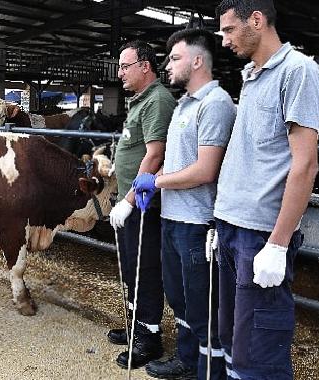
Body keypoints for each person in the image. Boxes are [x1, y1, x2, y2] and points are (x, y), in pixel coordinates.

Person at [214, 1, 319, 379]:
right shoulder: (252, 75)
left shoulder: (298, 72)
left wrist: (277, 243)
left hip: (260, 234)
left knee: (258, 352)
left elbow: (305, 164)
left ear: (256, 20)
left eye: (228, 30)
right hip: (231, 227)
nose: (223, 40)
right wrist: (222, 217)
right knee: (232, 340)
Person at [132, 29, 235, 379]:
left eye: (174, 58)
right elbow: (176, 162)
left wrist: (155, 181)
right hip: (173, 217)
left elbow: (205, 170)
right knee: (179, 297)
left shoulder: (216, 103)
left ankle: (210, 370)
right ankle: (189, 359)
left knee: (203, 304)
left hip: (197, 223)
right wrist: (155, 181)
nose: (168, 65)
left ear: (197, 60)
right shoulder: (183, 105)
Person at [107, 40, 176, 369]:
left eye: (124, 65)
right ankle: (136, 327)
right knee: (131, 268)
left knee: (144, 269)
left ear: (145, 66)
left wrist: (130, 201)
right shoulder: (139, 101)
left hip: (145, 205)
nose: (119, 72)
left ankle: (149, 338)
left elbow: (155, 154)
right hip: (129, 201)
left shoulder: (158, 101)